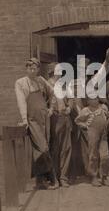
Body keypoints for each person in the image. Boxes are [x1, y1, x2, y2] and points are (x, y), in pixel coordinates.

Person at [14, 58, 58, 190]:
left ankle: (40, 181)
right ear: (26, 69)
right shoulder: (20, 83)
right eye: (29, 68)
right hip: (32, 120)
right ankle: (53, 178)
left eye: (35, 68)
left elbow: (53, 93)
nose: (32, 71)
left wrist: (51, 109)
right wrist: (24, 119)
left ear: (38, 69)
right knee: (43, 148)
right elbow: (21, 101)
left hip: (44, 118)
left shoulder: (41, 80)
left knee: (41, 149)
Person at [75, 95, 109, 187]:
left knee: (105, 155)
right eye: (93, 99)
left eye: (96, 98)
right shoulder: (85, 110)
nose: (95, 100)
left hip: (103, 134)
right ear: (88, 101)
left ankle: (104, 177)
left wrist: (106, 124)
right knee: (93, 155)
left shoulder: (103, 108)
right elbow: (77, 121)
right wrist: (85, 126)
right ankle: (94, 177)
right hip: (92, 134)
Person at [48, 62, 73, 188]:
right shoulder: (46, 85)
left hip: (65, 118)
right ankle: (54, 178)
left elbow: (70, 99)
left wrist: (69, 107)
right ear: (52, 71)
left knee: (66, 148)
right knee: (54, 149)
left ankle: (63, 177)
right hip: (54, 119)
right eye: (58, 69)